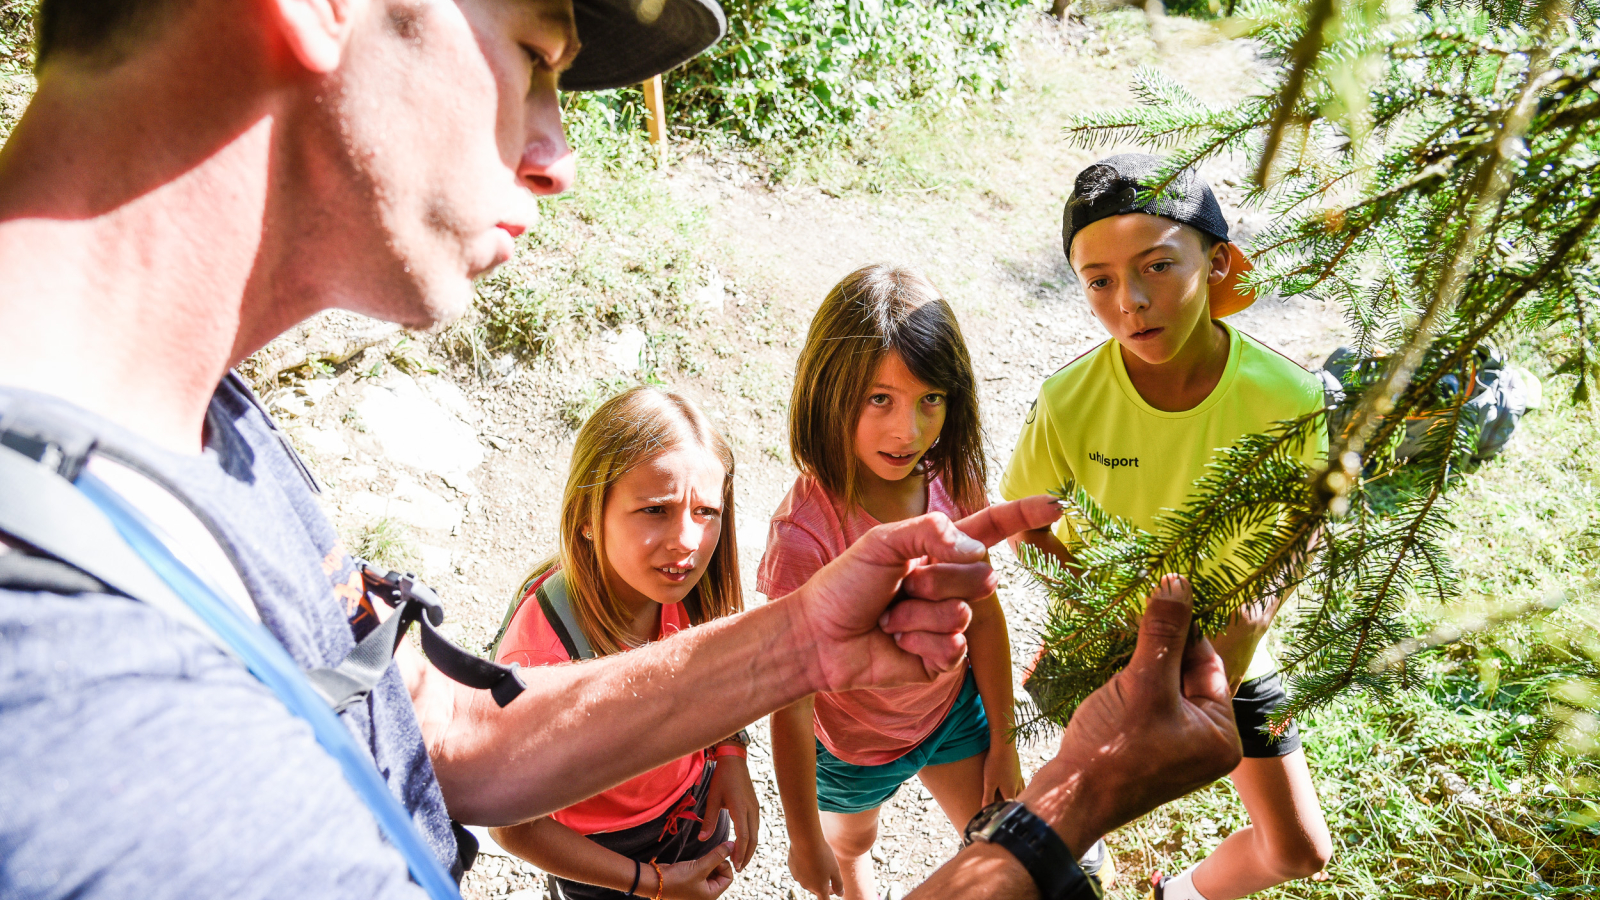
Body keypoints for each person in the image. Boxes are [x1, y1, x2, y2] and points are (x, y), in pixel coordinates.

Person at [0, 1, 1243, 897]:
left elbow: (440, 730)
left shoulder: (179, 423)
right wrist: (1067, 804)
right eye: (535, 54)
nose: (557, 151)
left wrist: (800, 635)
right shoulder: (96, 731)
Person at [1001, 153, 1335, 900]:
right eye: (1101, 281)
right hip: (1109, 652)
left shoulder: (1289, 395)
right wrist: (1091, 606)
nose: (1132, 302)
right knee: (1074, 829)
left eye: (1158, 266)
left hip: (1229, 653)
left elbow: (1306, 521)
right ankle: (1088, 845)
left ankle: (1176, 894)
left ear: (1217, 262)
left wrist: (1248, 624)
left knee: (1299, 851)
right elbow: (1027, 523)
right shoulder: (1070, 401)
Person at [761, 264, 1024, 900]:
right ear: (828, 392)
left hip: (951, 714)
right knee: (853, 843)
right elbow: (789, 701)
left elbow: (984, 614)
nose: (907, 432)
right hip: (850, 747)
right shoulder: (805, 536)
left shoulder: (953, 485)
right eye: (879, 399)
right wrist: (803, 837)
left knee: (1015, 853)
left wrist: (1004, 740)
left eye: (930, 398)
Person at [488, 387, 757, 900]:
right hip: (604, 859)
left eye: (706, 511)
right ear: (588, 517)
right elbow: (515, 827)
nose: (688, 541)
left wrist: (730, 753)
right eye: (655, 510)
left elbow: (718, 666)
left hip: (692, 809)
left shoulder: (690, 589)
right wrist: (652, 884)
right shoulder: (543, 660)